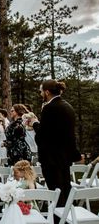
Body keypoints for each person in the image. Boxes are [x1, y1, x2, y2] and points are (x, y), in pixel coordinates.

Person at [32, 79, 81, 207]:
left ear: (47, 92)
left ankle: (58, 219)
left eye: (41, 91)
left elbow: (43, 137)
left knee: (55, 192)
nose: (40, 94)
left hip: (51, 158)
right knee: (65, 188)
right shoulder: (68, 106)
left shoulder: (49, 108)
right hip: (64, 157)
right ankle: (68, 216)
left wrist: (34, 123)